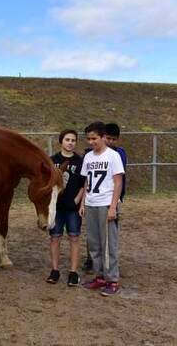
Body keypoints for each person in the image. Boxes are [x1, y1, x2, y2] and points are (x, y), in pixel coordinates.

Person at [79, 122, 125, 296]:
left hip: (106, 204)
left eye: (94, 138)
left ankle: (112, 280)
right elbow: (86, 182)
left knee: (108, 244)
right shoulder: (88, 157)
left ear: (103, 137)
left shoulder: (113, 156)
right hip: (91, 203)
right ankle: (99, 277)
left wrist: (113, 206)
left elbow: (118, 182)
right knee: (94, 243)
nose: (91, 142)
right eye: (89, 139)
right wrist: (83, 203)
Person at [46, 129, 85, 286]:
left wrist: (77, 201)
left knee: (74, 237)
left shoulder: (80, 161)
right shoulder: (52, 160)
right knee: (55, 238)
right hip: (56, 207)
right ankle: (55, 270)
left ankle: (73, 272)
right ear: (61, 141)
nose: (70, 143)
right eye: (67, 139)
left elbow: (84, 184)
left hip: (72, 208)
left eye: (73, 140)